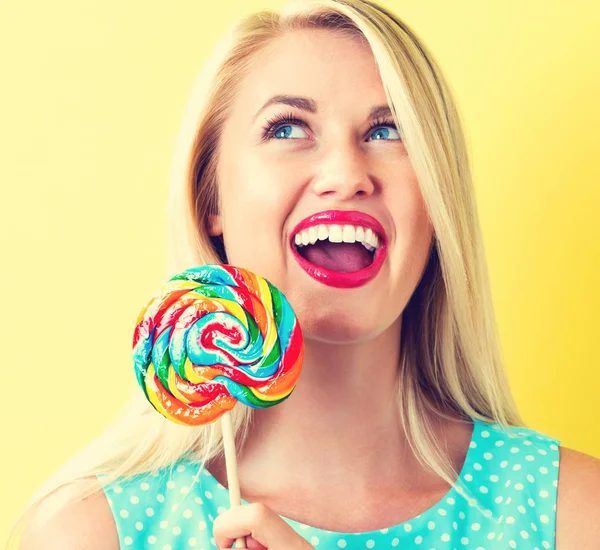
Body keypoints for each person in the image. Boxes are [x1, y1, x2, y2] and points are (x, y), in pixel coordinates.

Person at [13, 0, 600, 549]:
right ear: (209, 198)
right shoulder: (90, 532)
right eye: (287, 129)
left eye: (387, 131)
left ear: (438, 202)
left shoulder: (571, 512)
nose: (346, 174)